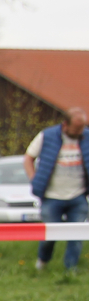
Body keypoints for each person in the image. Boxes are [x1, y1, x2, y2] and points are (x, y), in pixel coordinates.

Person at [25, 106, 88, 273]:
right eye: (76, 128)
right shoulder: (46, 136)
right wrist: (34, 180)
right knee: (49, 235)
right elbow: (28, 157)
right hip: (51, 196)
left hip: (78, 196)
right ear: (65, 124)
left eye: (82, 127)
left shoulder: (87, 137)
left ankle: (71, 270)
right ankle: (42, 263)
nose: (80, 131)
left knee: (76, 235)